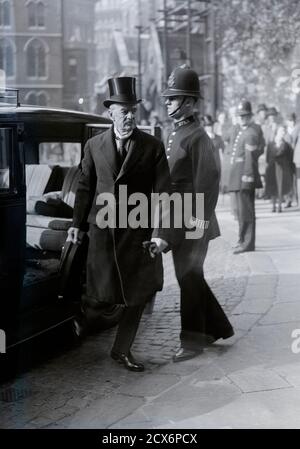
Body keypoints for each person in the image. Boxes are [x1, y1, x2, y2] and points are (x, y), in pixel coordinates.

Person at [67, 76, 170, 372]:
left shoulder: (151, 146)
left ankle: (121, 350)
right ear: (110, 112)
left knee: (138, 294)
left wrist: (162, 234)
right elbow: (85, 187)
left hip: (138, 234)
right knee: (100, 292)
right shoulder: (94, 145)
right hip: (103, 232)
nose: (129, 116)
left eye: (132, 110)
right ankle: (82, 323)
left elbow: (165, 192)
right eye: (122, 110)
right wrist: (77, 223)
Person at [161, 65, 234, 362]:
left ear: (189, 103)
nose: (167, 102)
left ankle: (192, 342)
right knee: (189, 276)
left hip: (194, 220)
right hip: (180, 218)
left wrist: (196, 226)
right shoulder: (177, 132)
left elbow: (208, 186)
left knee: (188, 276)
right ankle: (217, 326)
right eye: (167, 98)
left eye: (173, 98)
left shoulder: (198, 137)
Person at [228, 100, 264, 254]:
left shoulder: (250, 133)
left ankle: (248, 243)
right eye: (240, 116)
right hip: (238, 176)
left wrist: (248, 177)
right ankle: (242, 240)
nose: (242, 118)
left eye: (245, 116)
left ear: (250, 117)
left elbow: (250, 158)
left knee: (247, 212)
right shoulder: (242, 131)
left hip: (244, 177)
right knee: (241, 212)